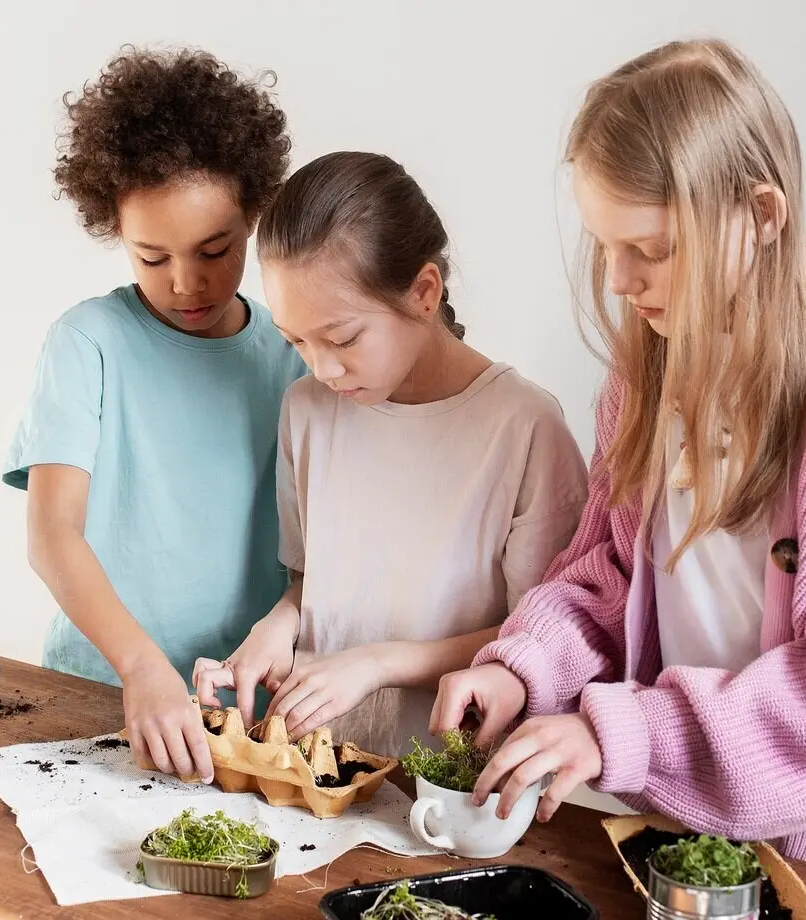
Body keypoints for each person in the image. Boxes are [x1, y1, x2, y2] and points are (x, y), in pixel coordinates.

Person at [430, 40, 806, 919]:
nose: (619, 282)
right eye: (604, 245)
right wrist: (520, 670)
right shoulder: (646, 377)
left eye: (650, 247)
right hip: (695, 845)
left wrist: (616, 731)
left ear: (761, 214)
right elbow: (609, 579)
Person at [195, 151, 588, 758]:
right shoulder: (307, 409)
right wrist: (277, 626)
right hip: (322, 766)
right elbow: (313, 582)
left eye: (343, 337)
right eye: (296, 340)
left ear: (424, 292)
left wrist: (379, 663)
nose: (323, 368)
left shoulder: (525, 427)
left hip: (449, 779)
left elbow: (540, 640)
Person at [2, 48, 308, 783]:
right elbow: (51, 534)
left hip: (242, 713)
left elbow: (324, 554)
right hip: (100, 692)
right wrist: (140, 666)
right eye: (150, 256)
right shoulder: (87, 343)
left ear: (254, 214)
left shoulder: (295, 358)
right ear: (115, 231)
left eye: (214, 249)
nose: (184, 283)